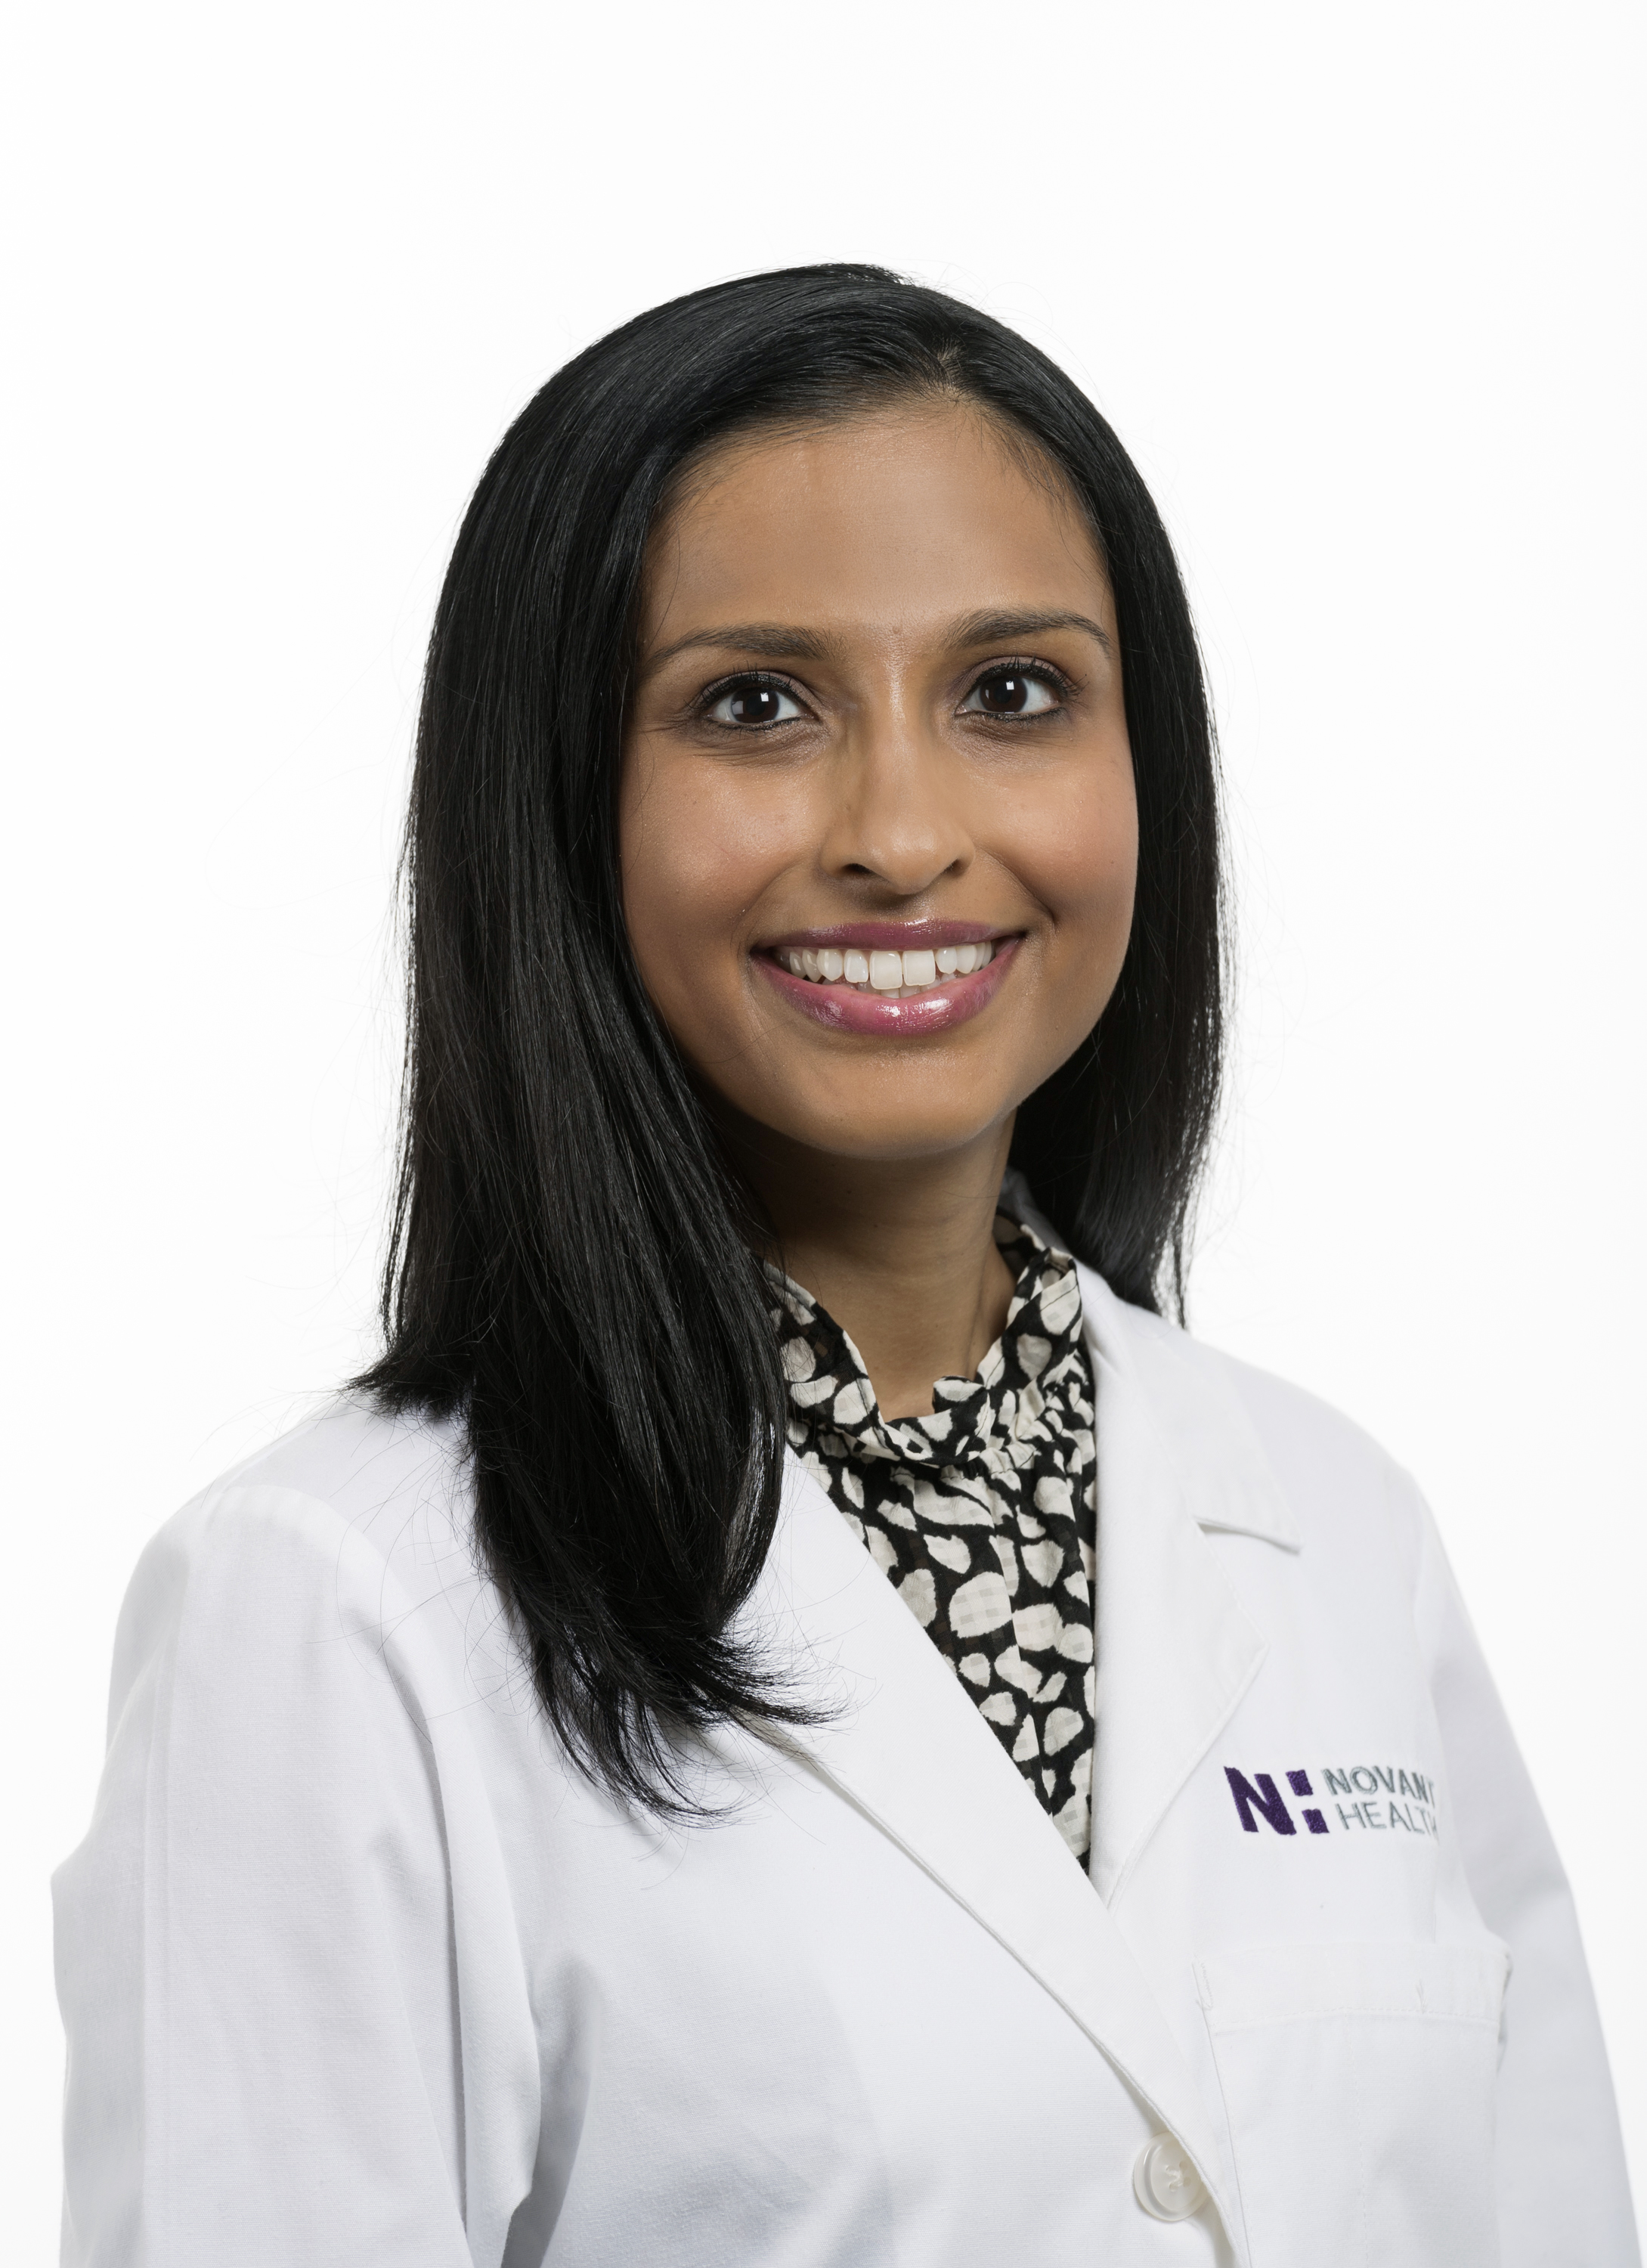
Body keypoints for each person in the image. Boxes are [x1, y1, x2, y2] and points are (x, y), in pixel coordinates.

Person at [54, 265, 1636, 2266]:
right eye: (753, 705)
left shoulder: (1331, 1524)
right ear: (557, 801)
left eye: (1011, 693)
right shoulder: (332, 1609)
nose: (902, 830)